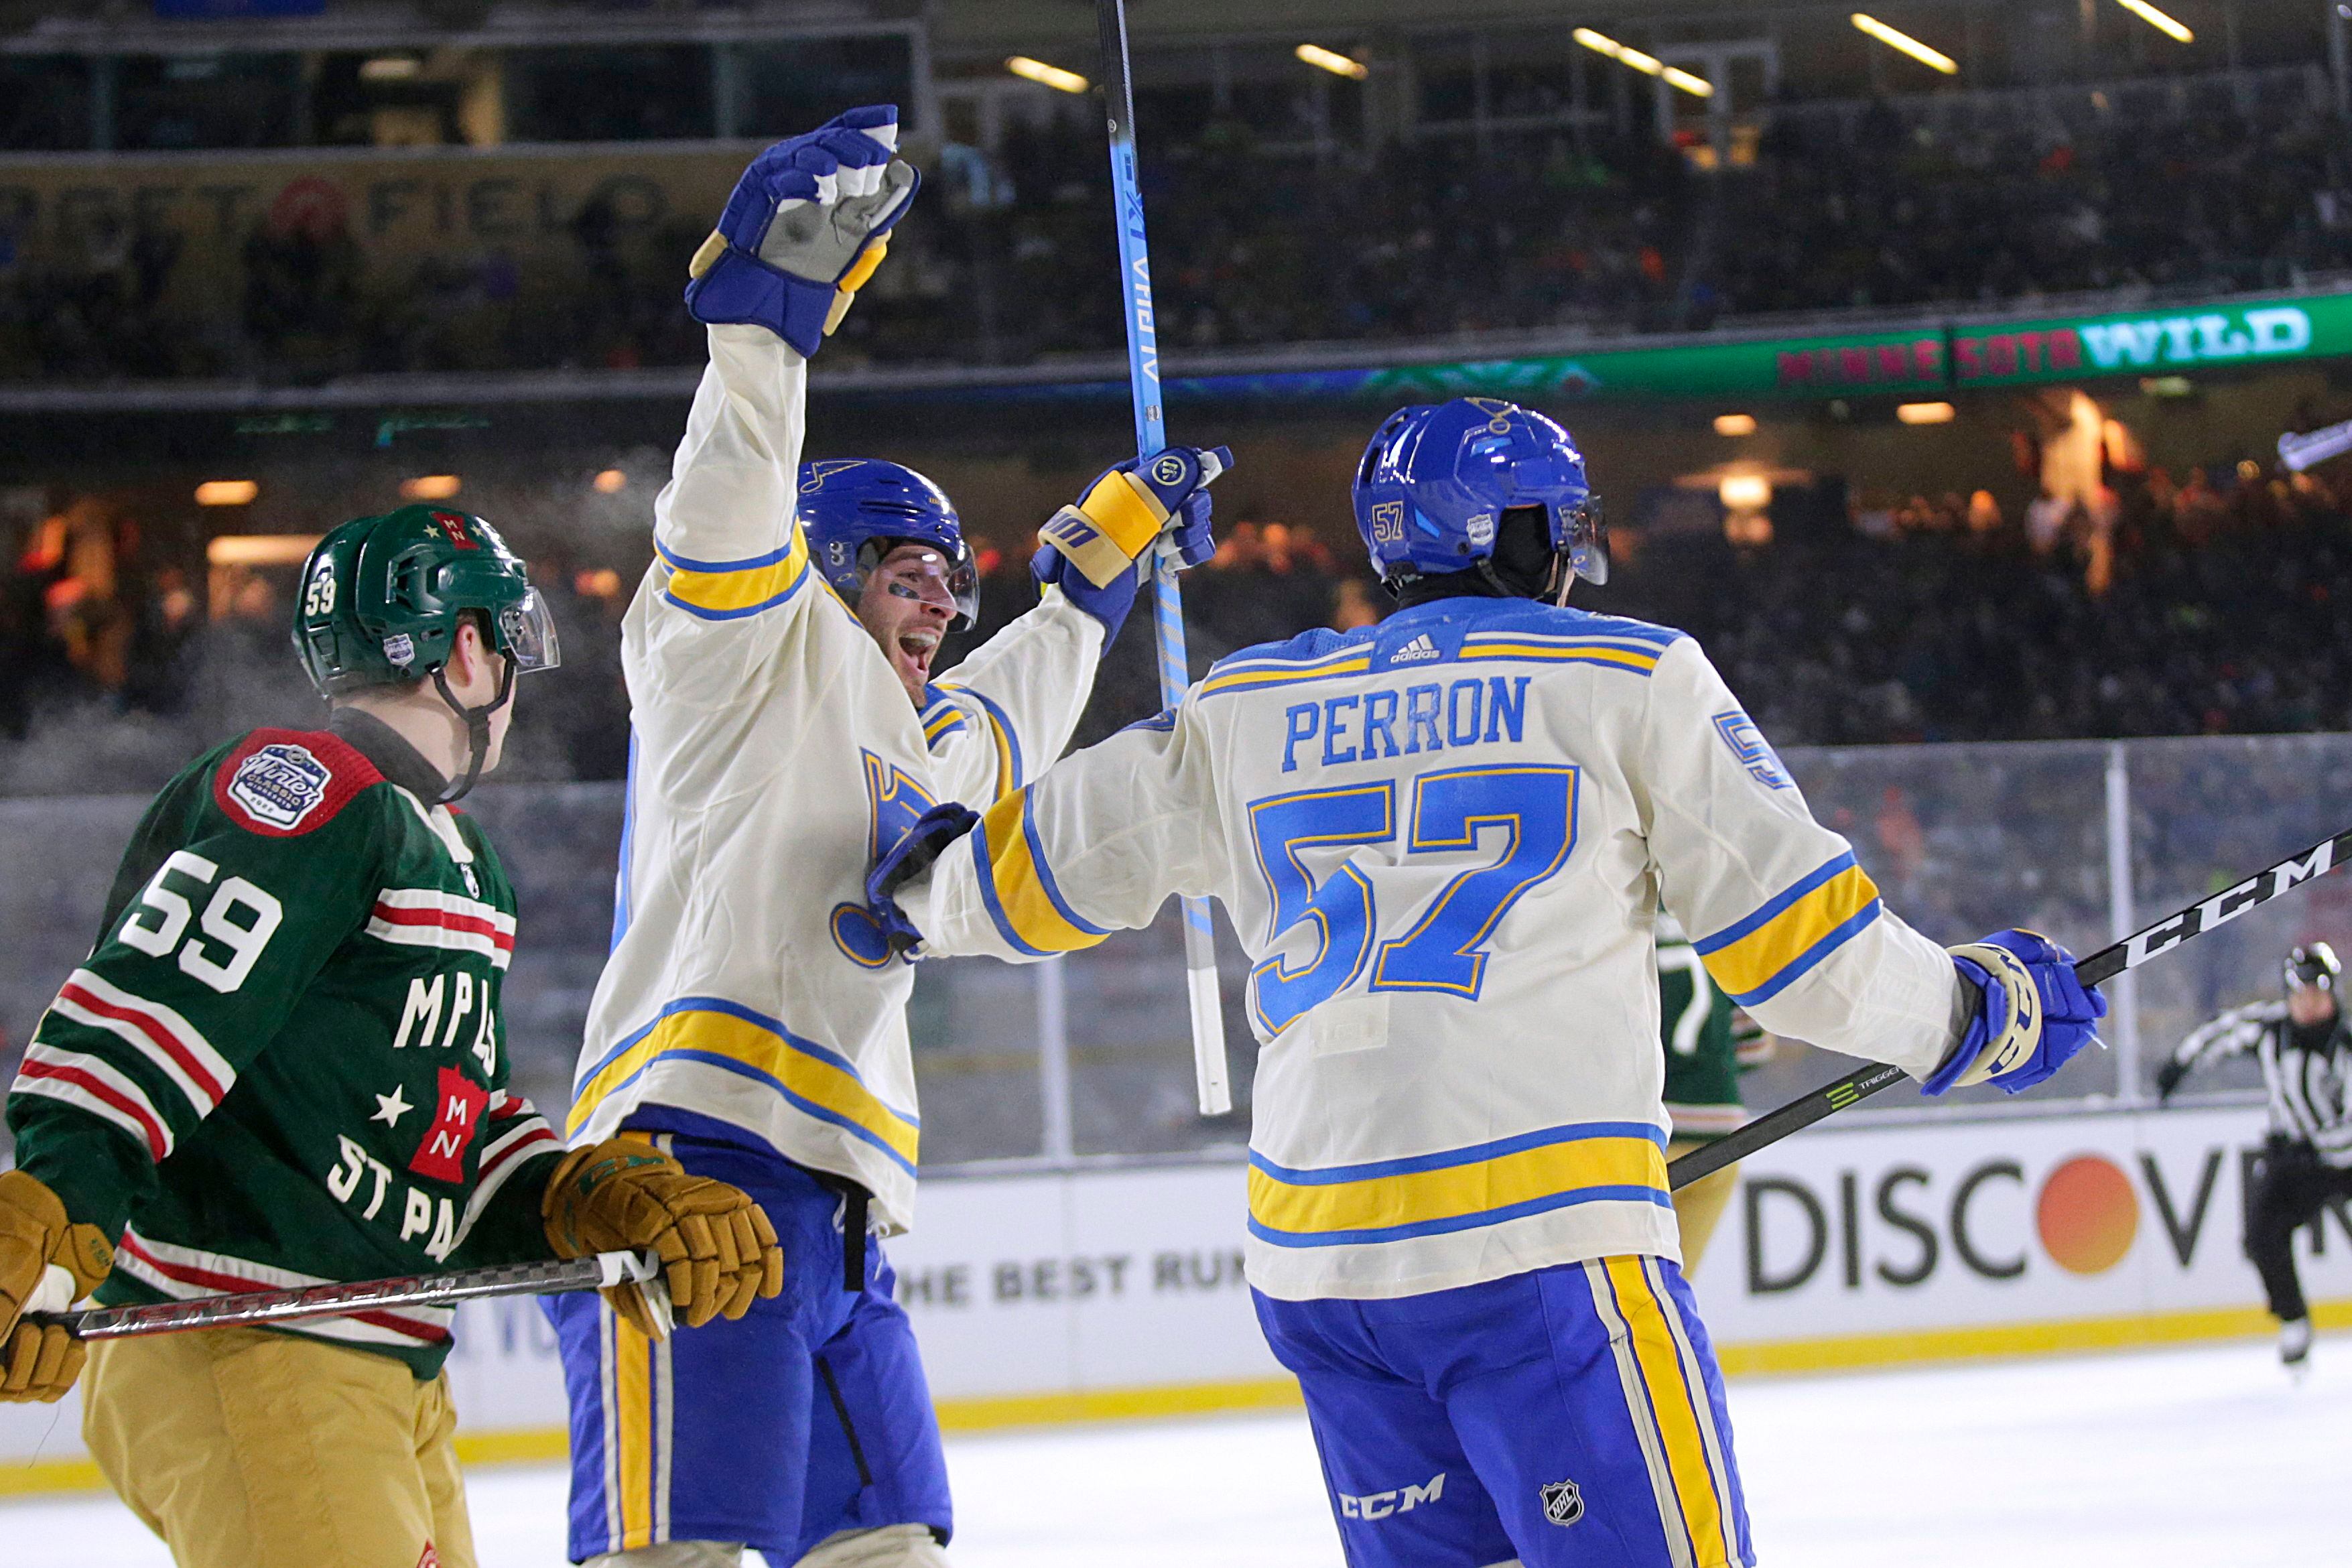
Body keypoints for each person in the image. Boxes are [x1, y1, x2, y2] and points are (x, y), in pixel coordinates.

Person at [872, 396, 2106, 1568]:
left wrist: (1063, 621)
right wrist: (1972, 1013)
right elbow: (1803, 955)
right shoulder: (1630, 678)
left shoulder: (1246, 704)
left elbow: (971, 884)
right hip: (1539, 1258)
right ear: (1524, 536)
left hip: (1322, 1275)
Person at [544, 107, 1222, 1568]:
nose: (940, 599)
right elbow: (726, 503)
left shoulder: (921, 734)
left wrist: (1100, 563)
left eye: (952, 583)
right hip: (687, 1160)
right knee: (679, 1558)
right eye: (907, 569)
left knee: (893, 1550)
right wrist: (765, 330)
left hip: (840, 1214)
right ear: (829, 567)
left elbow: (1018, 706)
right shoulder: (742, 654)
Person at [0, 503, 782, 1568]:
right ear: (466, 647)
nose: (515, 681)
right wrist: (54, 1213)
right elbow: (151, 1012)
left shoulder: (456, 853)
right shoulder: (319, 788)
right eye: (508, 642)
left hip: (379, 1368)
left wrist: (574, 1197)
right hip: (251, 1341)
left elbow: (448, 1126)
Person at [2156, 942, 2352, 1372]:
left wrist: (2318, 1149)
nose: (2309, 1003)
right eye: (2300, 993)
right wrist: (2178, 1065)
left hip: (2344, 1158)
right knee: (2262, 1237)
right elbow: (2218, 1033)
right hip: (2295, 1160)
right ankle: (2294, 1318)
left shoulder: (2346, 1046)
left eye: (2318, 992)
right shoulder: (2269, 1030)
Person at [1653, 913, 1771, 1272]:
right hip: (1721, 1138)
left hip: (1646, 1137)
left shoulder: (1612, 916)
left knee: (1620, 1294)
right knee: (1673, 1291)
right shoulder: (1707, 918)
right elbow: (1756, 1045)